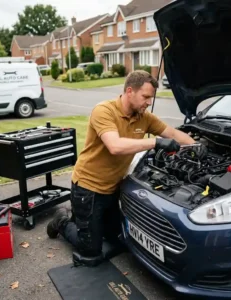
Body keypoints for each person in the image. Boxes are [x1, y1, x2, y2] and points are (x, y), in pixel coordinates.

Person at [46, 70, 206, 266]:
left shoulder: (144, 117)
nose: (148, 102)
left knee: (119, 240)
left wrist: (198, 148)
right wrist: (155, 142)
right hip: (88, 188)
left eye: (151, 98)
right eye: (145, 96)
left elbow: (171, 132)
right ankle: (62, 220)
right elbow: (115, 146)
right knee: (91, 253)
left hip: (113, 188)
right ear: (130, 91)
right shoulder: (104, 111)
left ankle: (84, 221)